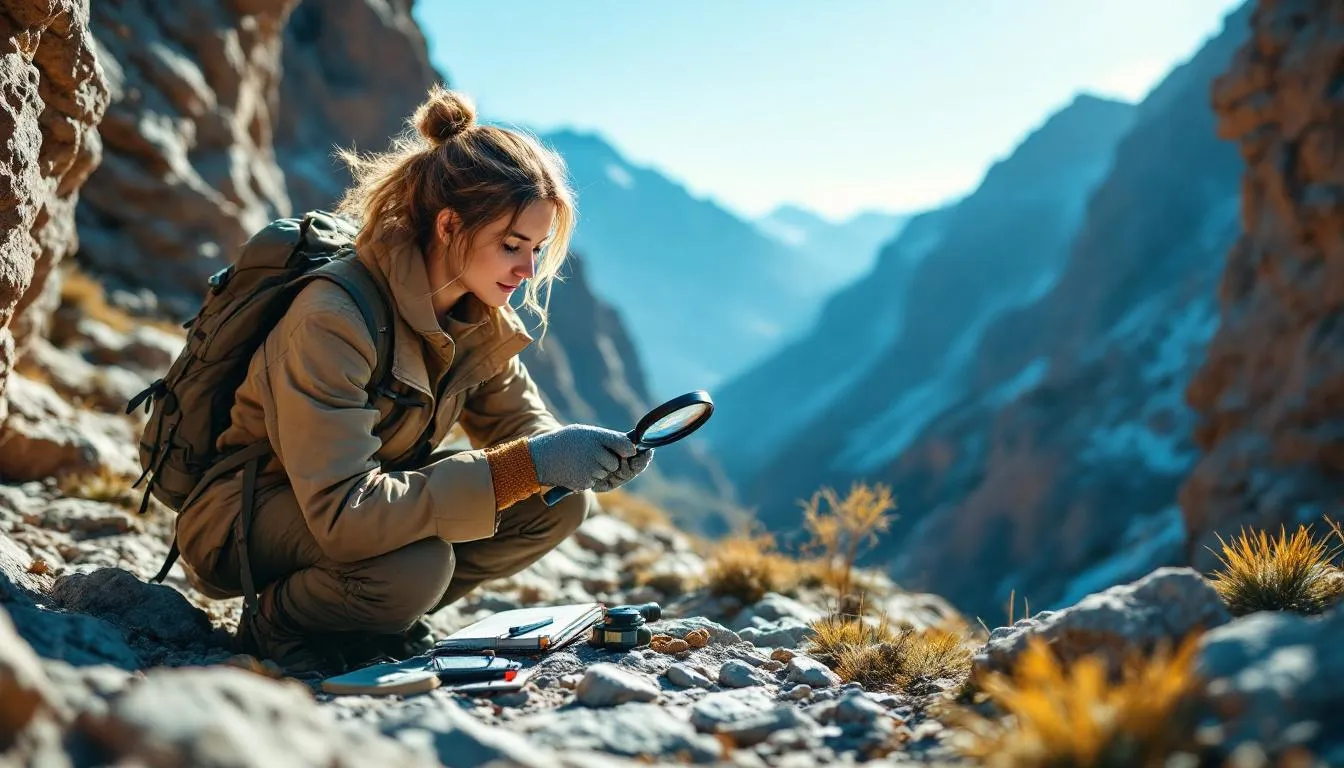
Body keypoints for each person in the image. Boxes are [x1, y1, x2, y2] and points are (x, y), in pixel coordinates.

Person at [172, 85, 654, 674]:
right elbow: (345, 514)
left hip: (349, 506)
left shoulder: (477, 318)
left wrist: (582, 453)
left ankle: (376, 618)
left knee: (556, 504)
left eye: (537, 249)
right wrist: (533, 463)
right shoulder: (333, 318)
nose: (528, 271)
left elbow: (525, 427)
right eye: (511, 246)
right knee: (416, 567)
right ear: (450, 225)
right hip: (247, 516)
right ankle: (280, 619)